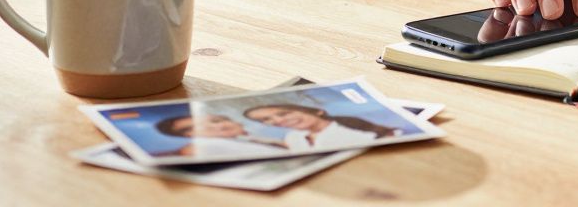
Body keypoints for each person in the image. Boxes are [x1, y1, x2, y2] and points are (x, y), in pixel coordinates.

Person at [243, 104, 401, 150]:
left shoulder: (352, 128)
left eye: (284, 113)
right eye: (265, 120)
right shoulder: (293, 138)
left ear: (317, 111)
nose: (277, 121)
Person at [154, 114, 288, 158]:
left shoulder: (261, 138)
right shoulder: (200, 147)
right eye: (197, 127)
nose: (216, 127)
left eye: (216, 120)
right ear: (189, 136)